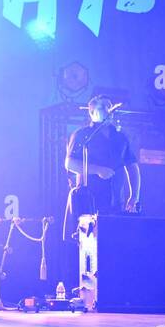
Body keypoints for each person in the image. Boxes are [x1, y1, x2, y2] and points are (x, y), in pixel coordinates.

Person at [64, 95, 140, 231]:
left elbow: (132, 167)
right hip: (89, 202)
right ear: (92, 112)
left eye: (109, 106)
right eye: (103, 106)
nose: (108, 110)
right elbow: (70, 163)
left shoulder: (120, 137)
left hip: (116, 203)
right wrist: (98, 170)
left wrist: (134, 196)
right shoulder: (82, 135)